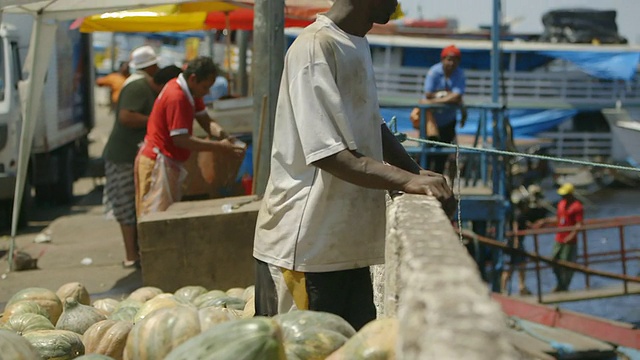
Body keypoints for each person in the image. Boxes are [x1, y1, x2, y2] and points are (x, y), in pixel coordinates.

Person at [252, 0, 455, 331]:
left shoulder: (356, 42)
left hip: (345, 248)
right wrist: (406, 181)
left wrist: (415, 171)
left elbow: (371, 123)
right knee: (304, 349)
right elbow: (330, 154)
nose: (396, 4)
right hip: (305, 252)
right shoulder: (314, 47)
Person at [134, 56, 245, 217]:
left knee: (166, 216)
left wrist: (225, 136)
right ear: (193, 79)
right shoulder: (176, 96)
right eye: (205, 87)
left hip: (169, 162)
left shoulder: (191, 92)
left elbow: (205, 119)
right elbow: (180, 139)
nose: (206, 92)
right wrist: (220, 147)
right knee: (154, 219)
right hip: (157, 162)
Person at [102, 59, 183, 269]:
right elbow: (125, 117)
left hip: (141, 156)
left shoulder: (158, 91)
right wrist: (156, 120)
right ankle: (132, 256)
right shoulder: (137, 87)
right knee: (125, 205)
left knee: (144, 205)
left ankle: (142, 252)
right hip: (122, 157)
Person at [410, 44, 466, 178]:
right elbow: (429, 93)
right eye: (449, 59)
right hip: (431, 121)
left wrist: (433, 100)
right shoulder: (434, 71)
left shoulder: (459, 73)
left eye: (455, 59)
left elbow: (457, 96)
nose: (451, 63)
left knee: (443, 155)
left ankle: (437, 181)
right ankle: (422, 180)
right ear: (443, 59)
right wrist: (447, 97)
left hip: (448, 121)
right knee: (426, 152)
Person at [534, 182, 584, 292]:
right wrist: (545, 221)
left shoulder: (577, 206)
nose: (563, 196)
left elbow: (579, 224)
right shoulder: (561, 204)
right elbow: (558, 219)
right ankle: (560, 283)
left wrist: (571, 236)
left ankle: (564, 286)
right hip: (559, 238)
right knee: (554, 260)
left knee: (567, 264)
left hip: (569, 241)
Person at [501, 188, 548, 295]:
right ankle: (517, 287)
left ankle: (513, 287)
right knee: (515, 265)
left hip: (510, 242)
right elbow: (516, 227)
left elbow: (527, 225)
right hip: (515, 243)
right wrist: (517, 241)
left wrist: (542, 223)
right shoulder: (519, 215)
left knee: (514, 265)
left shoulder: (516, 214)